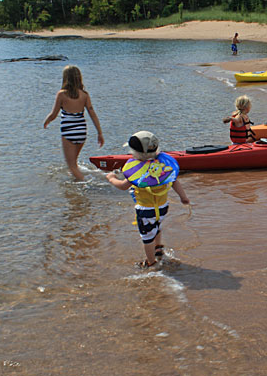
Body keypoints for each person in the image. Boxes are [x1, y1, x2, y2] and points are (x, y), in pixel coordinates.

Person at [105, 131, 190, 268]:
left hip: (145, 210)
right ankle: (158, 248)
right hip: (163, 207)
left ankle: (151, 262)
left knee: (147, 238)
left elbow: (122, 186)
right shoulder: (163, 166)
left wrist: (111, 178)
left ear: (136, 153)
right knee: (157, 226)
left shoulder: (138, 171)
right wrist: (183, 197)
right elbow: (174, 181)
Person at [44, 65, 104, 180]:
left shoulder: (62, 94)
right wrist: (99, 133)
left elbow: (54, 114)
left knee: (71, 166)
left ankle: (86, 185)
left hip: (69, 132)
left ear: (65, 78)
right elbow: (92, 114)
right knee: (74, 164)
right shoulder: (84, 95)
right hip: (82, 131)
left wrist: (46, 121)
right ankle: (74, 186)